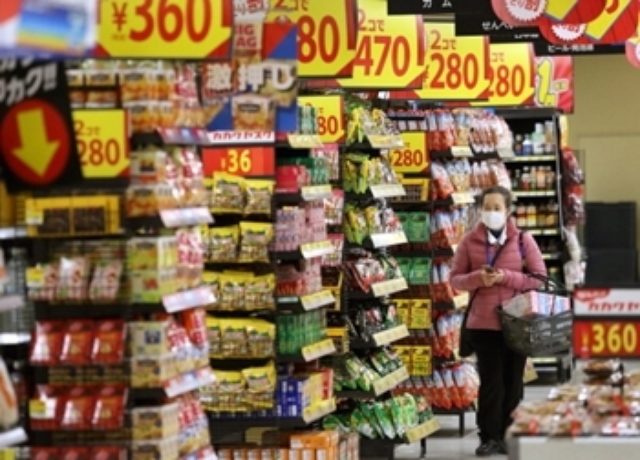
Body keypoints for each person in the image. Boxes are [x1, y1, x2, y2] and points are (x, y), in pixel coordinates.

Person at [451, 185, 546, 457]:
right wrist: (477, 279)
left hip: (517, 322)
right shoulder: (469, 242)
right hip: (483, 324)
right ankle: (489, 437)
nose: (491, 212)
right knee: (491, 383)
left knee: (513, 381)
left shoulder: (523, 240)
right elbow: (455, 280)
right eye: (487, 208)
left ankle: (509, 434)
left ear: (508, 211)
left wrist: (506, 277)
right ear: (480, 210)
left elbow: (539, 278)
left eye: (497, 208)